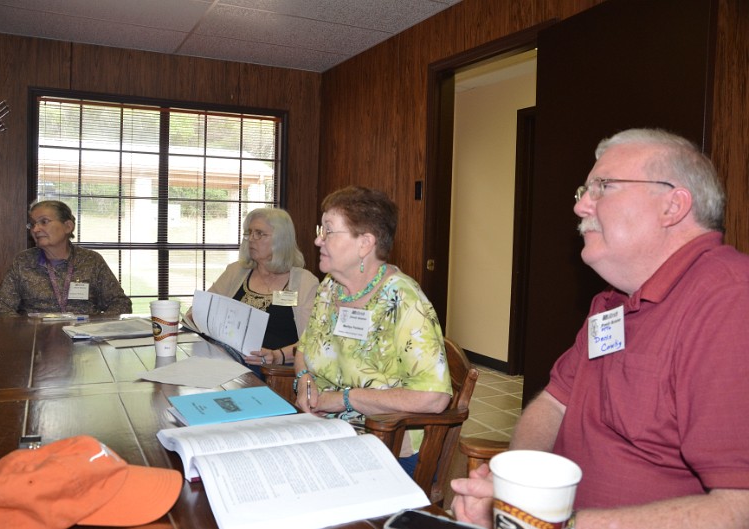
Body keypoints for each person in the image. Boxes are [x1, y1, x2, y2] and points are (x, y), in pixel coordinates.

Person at [451, 128, 749, 528]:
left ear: (672, 206)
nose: (580, 207)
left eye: (602, 188)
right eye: (583, 192)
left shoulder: (729, 302)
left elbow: (740, 507)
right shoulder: (612, 300)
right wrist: (516, 492)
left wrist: (559, 524)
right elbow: (555, 403)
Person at [293, 185, 452, 474]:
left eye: (329, 230)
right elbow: (304, 349)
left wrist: (344, 399)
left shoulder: (403, 299)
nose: (318, 240)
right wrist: (305, 381)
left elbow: (434, 397)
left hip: (385, 441)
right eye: (321, 228)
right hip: (325, 430)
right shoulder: (330, 288)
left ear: (365, 243)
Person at [199, 207, 318, 371]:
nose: (251, 239)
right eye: (249, 233)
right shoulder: (236, 271)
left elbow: (312, 340)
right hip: (226, 359)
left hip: (272, 371)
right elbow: (205, 308)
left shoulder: (305, 281)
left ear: (281, 240)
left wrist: (277, 356)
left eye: (260, 234)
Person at [0, 200, 132, 316]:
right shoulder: (23, 261)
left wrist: (95, 327)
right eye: (32, 224)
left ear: (68, 226)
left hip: (82, 341)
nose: (35, 229)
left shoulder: (91, 260)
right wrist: (26, 328)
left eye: (43, 222)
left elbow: (120, 304)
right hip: (38, 341)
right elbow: (0, 304)